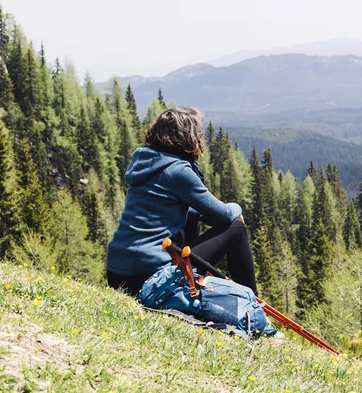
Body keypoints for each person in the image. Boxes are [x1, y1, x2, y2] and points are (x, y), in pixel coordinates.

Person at [106, 107, 257, 297]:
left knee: (191, 219)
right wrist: (237, 208)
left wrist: (202, 214)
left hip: (117, 274)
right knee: (236, 228)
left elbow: (170, 207)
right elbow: (226, 214)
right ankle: (254, 305)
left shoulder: (144, 159)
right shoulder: (178, 171)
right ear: (187, 136)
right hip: (149, 276)